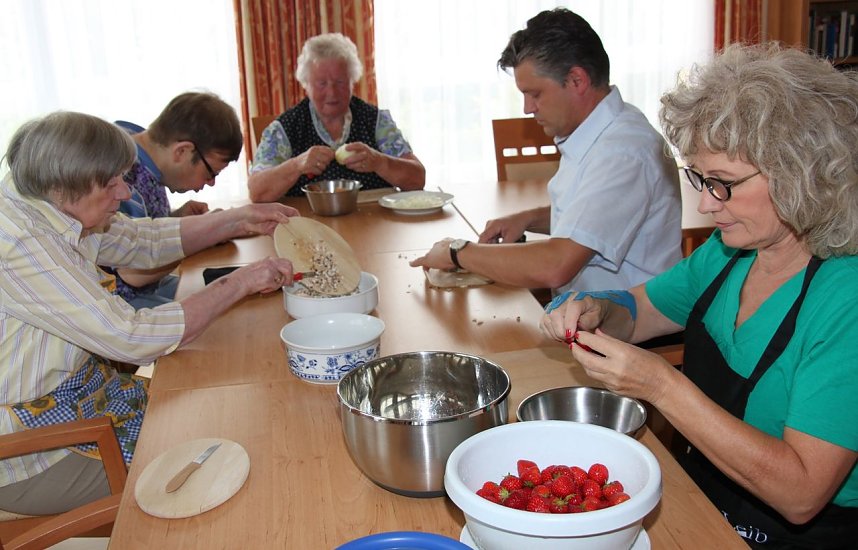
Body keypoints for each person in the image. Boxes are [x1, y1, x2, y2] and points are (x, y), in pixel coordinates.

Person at [541, 43, 858, 548]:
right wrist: (600, 309)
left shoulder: (846, 300)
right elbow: (642, 309)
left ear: (803, 175)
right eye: (700, 179)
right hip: (706, 496)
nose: (707, 204)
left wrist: (662, 385)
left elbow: (801, 493)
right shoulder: (732, 250)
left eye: (723, 184)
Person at [0, 111, 298, 516]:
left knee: (221, 424)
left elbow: (141, 240)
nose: (125, 193)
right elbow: (130, 337)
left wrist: (237, 219)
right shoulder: (19, 241)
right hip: (31, 452)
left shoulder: (50, 205)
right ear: (69, 186)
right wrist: (240, 283)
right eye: (112, 183)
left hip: (83, 402)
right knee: (215, 469)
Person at [411, 8, 681, 294]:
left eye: (535, 94)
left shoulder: (623, 152)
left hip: (629, 332)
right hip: (587, 315)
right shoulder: (601, 128)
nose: (528, 108)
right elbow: (590, 214)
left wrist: (458, 252)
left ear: (577, 80)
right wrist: (528, 219)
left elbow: (556, 266)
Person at [248, 32, 425, 203]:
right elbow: (257, 191)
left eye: (340, 82)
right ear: (306, 85)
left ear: (352, 82)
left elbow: (418, 178)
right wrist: (297, 165)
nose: (331, 93)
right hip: (307, 229)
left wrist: (379, 161)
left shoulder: (375, 121)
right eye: (321, 83)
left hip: (374, 224)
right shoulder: (285, 128)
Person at [109, 91, 244, 309]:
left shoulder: (140, 149)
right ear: (182, 151)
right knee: (218, 317)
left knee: (231, 293)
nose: (210, 184)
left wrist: (177, 219)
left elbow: (142, 230)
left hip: (146, 288)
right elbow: (135, 272)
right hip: (117, 302)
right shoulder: (124, 172)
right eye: (211, 173)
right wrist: (206, 232)